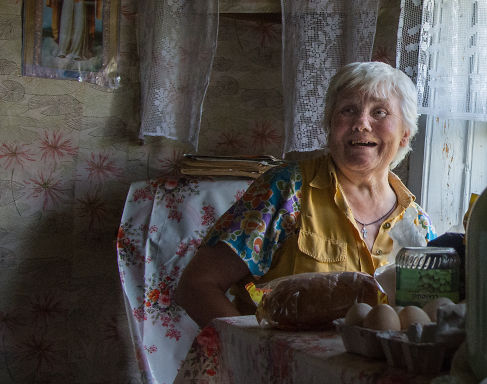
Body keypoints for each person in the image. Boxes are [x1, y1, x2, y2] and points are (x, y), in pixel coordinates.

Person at [175, 62, 437, 326]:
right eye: (348, 110)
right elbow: (197, 286)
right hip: (282, 365)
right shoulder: (286, 190)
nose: (361, 123)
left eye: (380, 112)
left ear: (405, 134)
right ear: (330, 126)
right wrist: (255, 353)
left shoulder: (417, 224)